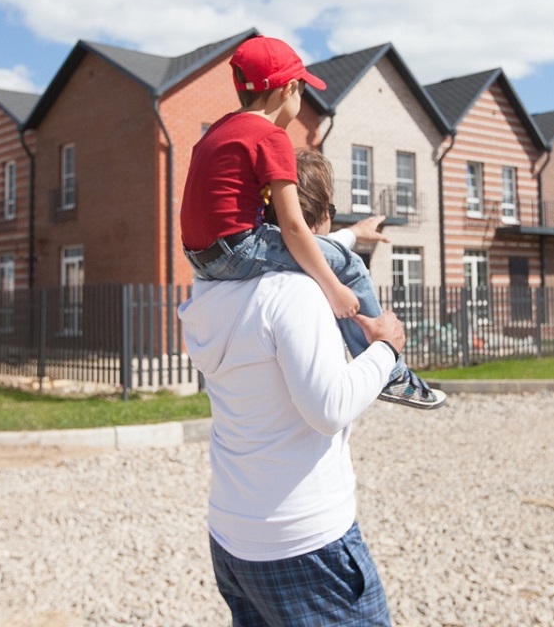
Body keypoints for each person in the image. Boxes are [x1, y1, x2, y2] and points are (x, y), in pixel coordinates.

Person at [178, 146, 411, 626]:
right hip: (305, 544)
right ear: (319, 216)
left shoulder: (209, 292)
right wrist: (385, 348)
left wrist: (351, 233)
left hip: (233, 536)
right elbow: (327, 408)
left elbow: (284, 247)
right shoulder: (297, 294)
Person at [180, 34, 443, 409]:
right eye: (302, 90)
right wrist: (334, 288)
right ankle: (389, 370)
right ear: (289, 89)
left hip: (201, 257)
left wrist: (350, 233)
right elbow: (293, 227)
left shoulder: (219, 131)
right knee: (347, 264)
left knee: (326, 252)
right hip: (239, 248)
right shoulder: (271, 137)